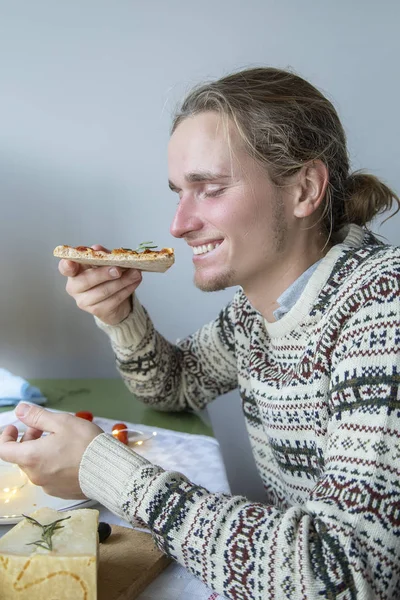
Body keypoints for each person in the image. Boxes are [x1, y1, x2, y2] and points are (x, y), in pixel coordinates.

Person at [1, 67, 400, 599]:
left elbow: (345, 576)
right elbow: (174, 385)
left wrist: (107, 472)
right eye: (179, 193)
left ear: (304, 189)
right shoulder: (257, 308)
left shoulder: (382, 305)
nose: (178, 224)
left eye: (209, 190)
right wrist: (121, 315)